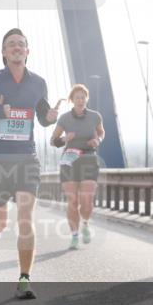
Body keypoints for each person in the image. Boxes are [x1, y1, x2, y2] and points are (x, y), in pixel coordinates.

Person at [0, 28, 59, 299]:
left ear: (27, 51)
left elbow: (42, 117)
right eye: (11, 45)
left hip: (27, 158)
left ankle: (24, 278)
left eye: (21, 44)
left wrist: (51, 117)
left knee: (26, 218)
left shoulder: (38, 83)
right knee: (0, 221)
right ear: (4, 52)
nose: (17, 47)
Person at [50, 85, 104, 249]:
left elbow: (101, 133)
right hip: (70, 159)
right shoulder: (65, 118)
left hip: (88, 158)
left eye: (83, 97)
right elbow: (53, 141)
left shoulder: (95, 116)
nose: (80, 100)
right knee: (72, 201)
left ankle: (85, 224)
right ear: (72, 100)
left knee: (86, 200)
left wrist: (97, 140)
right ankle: (74, 236)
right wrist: (65, 138)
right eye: (77, 98)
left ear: (86, 99)